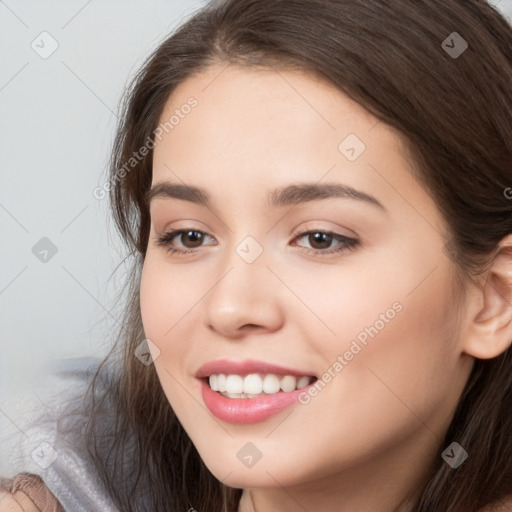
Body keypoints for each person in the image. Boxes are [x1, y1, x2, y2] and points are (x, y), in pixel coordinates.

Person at [2, 0, 512, 510]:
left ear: (494, 299)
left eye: (320, 238)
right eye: (189, 236)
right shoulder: (53, 470)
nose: (230, 307)